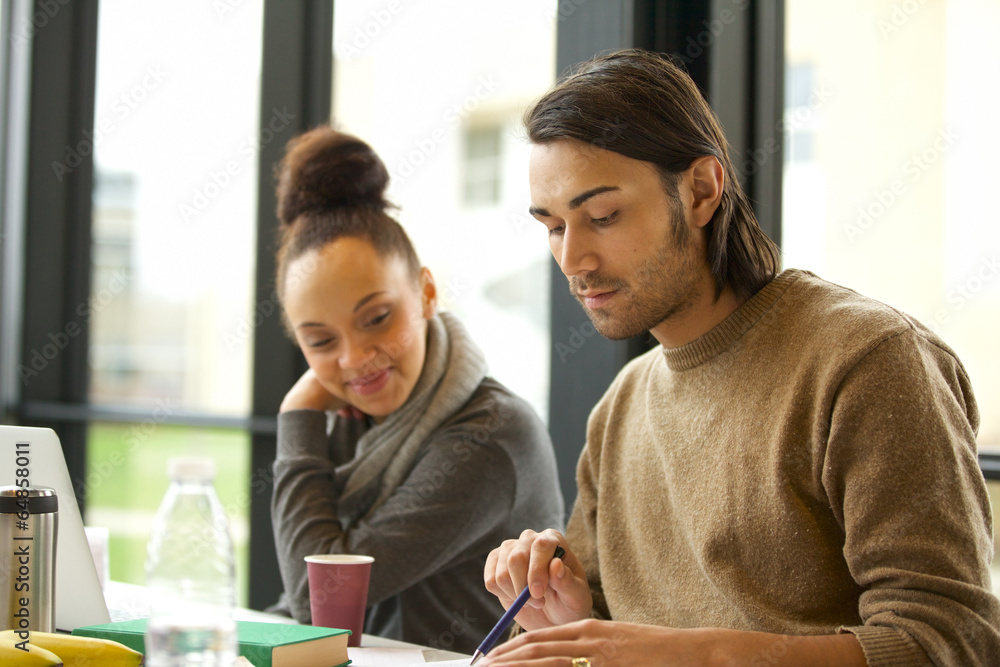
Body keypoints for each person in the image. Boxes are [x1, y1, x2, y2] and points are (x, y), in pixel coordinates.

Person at [481, 49, 1000, 666]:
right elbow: (619, 644)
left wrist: (701, 655)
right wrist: (570, 623)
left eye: (602, 216)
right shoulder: (620, 407)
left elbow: (951, 641)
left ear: (701, 190)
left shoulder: (868, 360)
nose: (572, 261)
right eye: (554, 226)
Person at [268, 126, 564, 653]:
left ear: (426, 292)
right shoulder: (358, 423)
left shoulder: (487, 436)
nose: (354, 359)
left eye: (377, 318)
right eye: (320, 341)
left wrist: (297, 416)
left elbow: (317, 606)